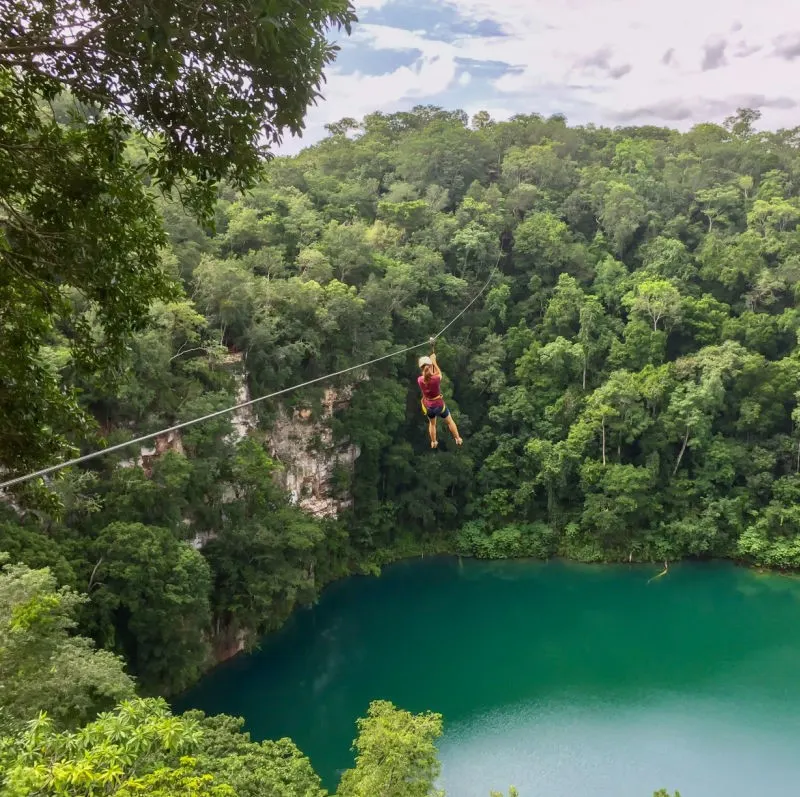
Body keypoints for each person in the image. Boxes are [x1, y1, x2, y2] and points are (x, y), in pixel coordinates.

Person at [417, 353, 462, 449]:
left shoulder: (420, 380)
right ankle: (457, 439)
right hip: (439, 405)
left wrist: (431, 365)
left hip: (429, 407)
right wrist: (434, 362)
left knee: (432, 424)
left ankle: (433, 442)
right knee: (449, 421)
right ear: (429, 366)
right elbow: (439, 374)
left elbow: (429, 376)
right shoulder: (436, 379)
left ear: (421, 368)